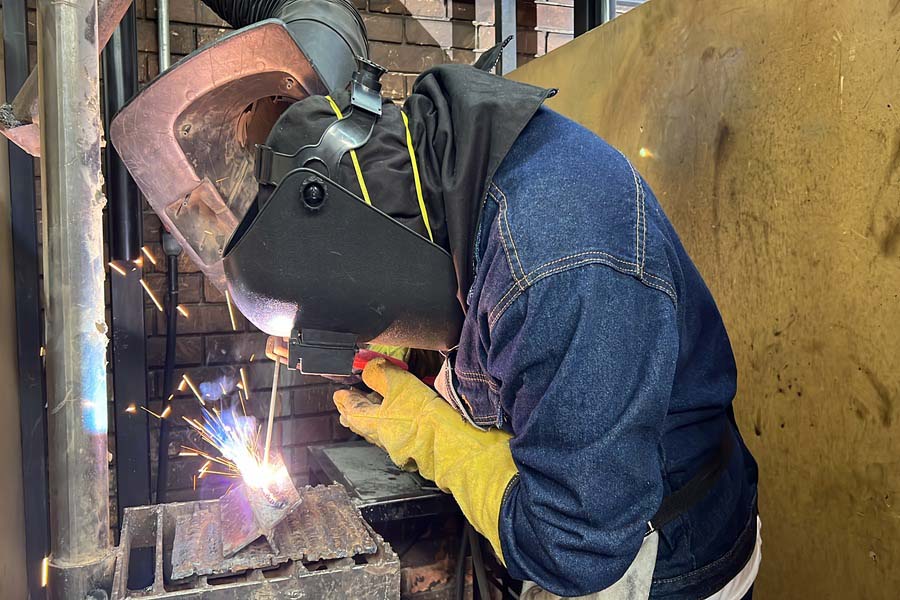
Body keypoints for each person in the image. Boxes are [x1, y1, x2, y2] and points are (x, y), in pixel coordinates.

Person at [262, 61, 761, 600]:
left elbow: (575, 546)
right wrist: (387, 329)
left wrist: (432, 435)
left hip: (661, 558)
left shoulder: (559, 266)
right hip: (600, 501)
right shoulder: (445, 168)